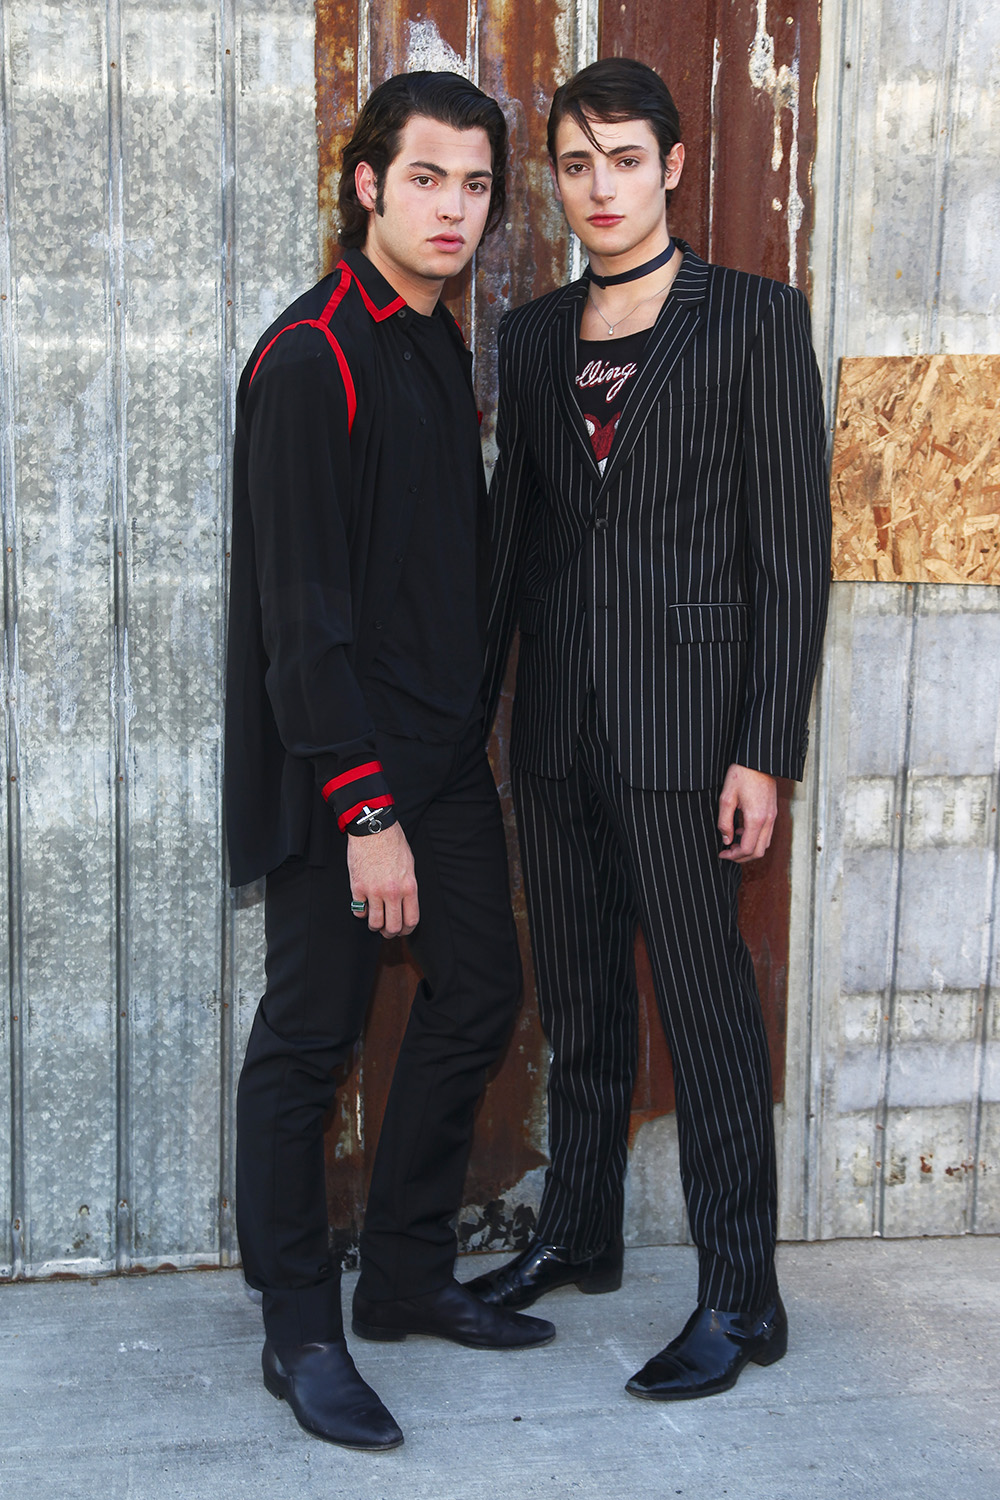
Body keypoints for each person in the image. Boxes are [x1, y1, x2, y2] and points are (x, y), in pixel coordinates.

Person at [467, 57, 830, 1402]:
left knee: (708, 1014)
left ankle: (742, 1295)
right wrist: (470, 724)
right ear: (556, 179)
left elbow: (793, 559)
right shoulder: (535, 335)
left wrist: (765, 748)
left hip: (692, 739)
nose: (600, 186)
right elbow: (517, 548)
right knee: (580, 1000)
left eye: (624, 158)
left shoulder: (750, 321)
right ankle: (578, 1235)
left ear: (671, 165)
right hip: (556, 728)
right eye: (575, 163)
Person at [225, 70, 554, 1453]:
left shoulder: (429, 338)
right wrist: (364, 813)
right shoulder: (311, 360)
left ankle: (408, 1271)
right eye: (427, 178)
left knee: (479, 990)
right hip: (333, 773)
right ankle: (300, 1326)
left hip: (439, 758)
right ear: (366, 183)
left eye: (476, 186)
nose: (454, 210)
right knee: (309, 1043)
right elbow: (300, 623)